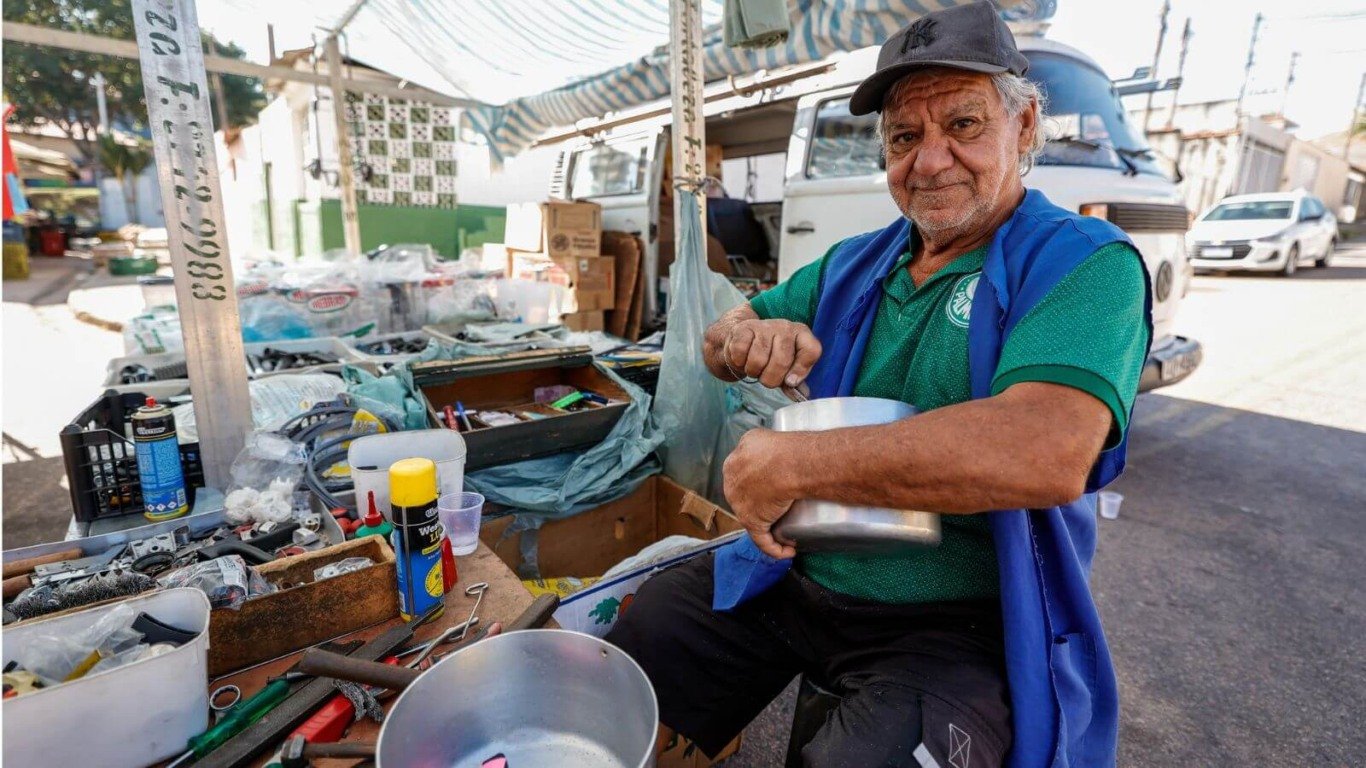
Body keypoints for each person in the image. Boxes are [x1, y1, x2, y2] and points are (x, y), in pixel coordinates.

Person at [605, 2, 1150, 766]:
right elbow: (718, 339)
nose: (928, 162)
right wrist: (745, 338)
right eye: (903, 136)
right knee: (642, 641)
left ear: (1024, 131)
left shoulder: (1084, 263)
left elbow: (1046, 448)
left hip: (955, 622)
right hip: (800, 570)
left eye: (962, 126)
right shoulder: (860, 261)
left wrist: (787, 464)